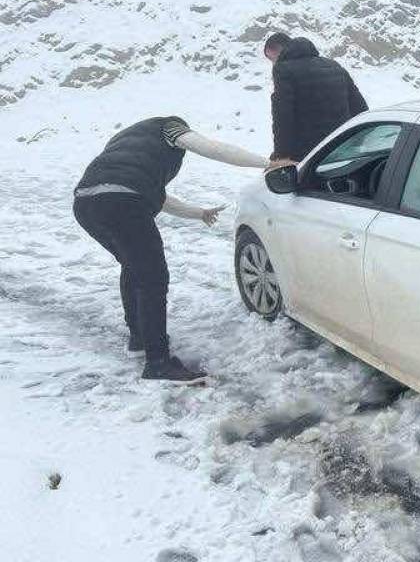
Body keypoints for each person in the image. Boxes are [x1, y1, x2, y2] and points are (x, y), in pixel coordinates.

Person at [74, 117, 269, 383]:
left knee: (134, 268)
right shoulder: (169, 126)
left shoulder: (122, 143)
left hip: (86, 204)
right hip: (122, 202)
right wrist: (269, 163)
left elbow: (151, 194)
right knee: (153, 278)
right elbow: (212, 148)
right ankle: (158, 363)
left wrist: (198, 213)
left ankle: (139, 339)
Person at [267, 34, 368, 166]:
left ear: (280, 50)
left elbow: (283, 116)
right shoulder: (334, 65)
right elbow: (360, 108)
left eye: (270, 57)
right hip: (343, 149)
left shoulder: (283, 70)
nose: (272, 62)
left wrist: (281, 155)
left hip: (310, 155)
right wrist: (356, 143)